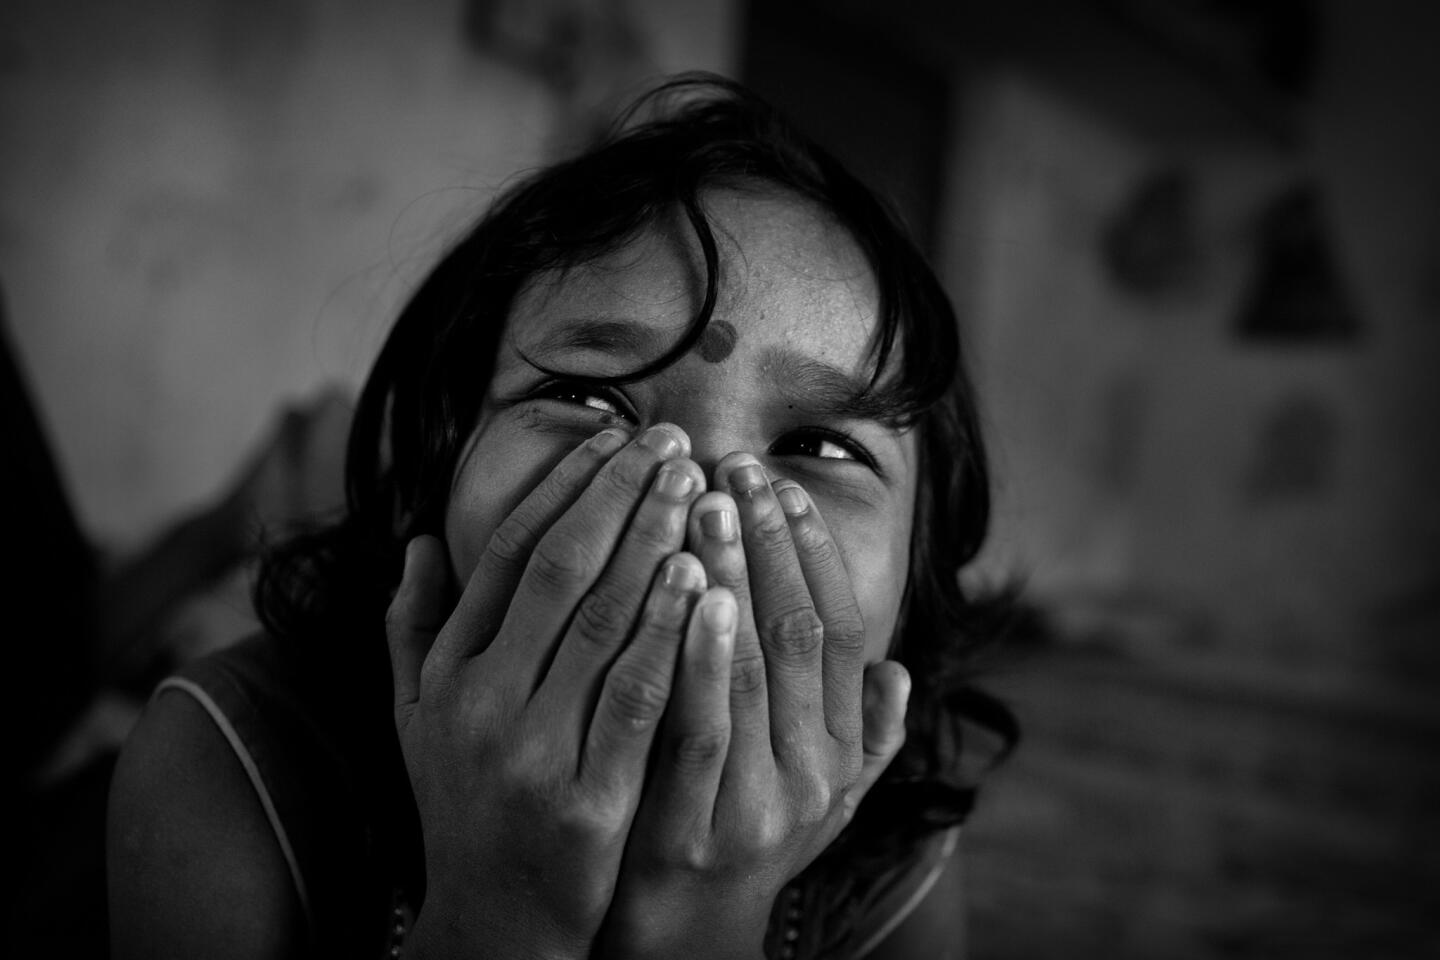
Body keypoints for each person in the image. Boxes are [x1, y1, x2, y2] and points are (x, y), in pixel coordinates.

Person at [106, 73, 1014, 959]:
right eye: (588, 395)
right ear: (443, 465)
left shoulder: (899, 831)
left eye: (821, 447)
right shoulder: (230, 753)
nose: (703, 506)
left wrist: (705, 922)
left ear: (918, 583)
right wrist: (503, 910)